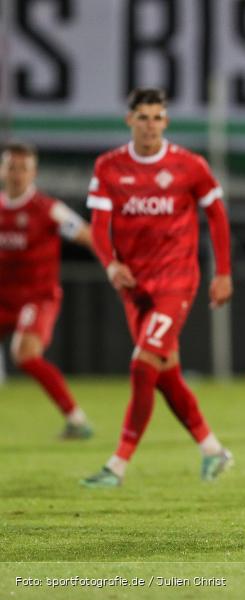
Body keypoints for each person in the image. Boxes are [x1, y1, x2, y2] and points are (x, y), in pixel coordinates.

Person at [80, 88, 234, 488]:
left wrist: (222, 272)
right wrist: (111, 264)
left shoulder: (189, 165)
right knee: (165, 374)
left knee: (142, 364)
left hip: (176, 281)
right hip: (134, 285)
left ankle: (116, 466)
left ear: (165, 121)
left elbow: (217, 215)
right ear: (129, 120)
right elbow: (98, 226)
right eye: (143, 118)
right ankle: (213, 450)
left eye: (157, 117)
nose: (150, 125)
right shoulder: (109, 166)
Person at [0, 142, 94, 438]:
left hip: (37, 297)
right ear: (2, 171)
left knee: (25, 354)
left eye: (23, 168)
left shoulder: (48, 210)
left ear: (34, 173)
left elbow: (87, 235)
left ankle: (77, 420)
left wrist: (116, 264)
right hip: (3, 297)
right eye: (11, 167)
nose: (17, 174)